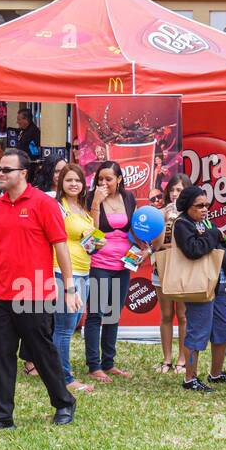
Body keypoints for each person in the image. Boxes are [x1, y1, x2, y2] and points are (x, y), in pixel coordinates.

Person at [0, 149, 81, 433]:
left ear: (23, 173)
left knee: (41, 352)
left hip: (34, 293)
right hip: (0, 294)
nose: (0, 174)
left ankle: (63, 402)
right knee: (0, 355)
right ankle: (1, 416)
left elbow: (61, 246)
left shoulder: (42, 204)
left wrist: (70, 288)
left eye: (6, 170)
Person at [83, 160, 143, 383]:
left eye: (108, 179)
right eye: (100, 179)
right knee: (96, 314)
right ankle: (94, 365)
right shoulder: (92, 199)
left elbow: (135, 229)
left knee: (113, 315)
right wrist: (96, 203)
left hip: (123, 264)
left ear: (119, 179)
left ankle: (109, 363)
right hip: (99, 264)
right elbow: (92, 233)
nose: (104, 183)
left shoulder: (128, 198)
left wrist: (143, 248)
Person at [173, 185, 226, 392]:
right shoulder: (182, 224)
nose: (204, 209)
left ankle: (216, 374)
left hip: (217, 283)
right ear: (187, 206)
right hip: (197, 285)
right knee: (198, 331)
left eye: (207, 205)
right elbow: (193, 250)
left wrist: (213, 233)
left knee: (222, 328)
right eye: (199, 206)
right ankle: (190, 379)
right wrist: (213, 234)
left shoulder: (207, 223)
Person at [52, 163, 95, 394]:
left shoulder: (82, 208)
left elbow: (85, 239)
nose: (73, 184)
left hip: (84, 271)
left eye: (77, 180)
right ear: (61, 183)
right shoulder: (59, 207)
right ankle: (64, 378)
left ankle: (54, 369)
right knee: (65, 328)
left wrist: (94, 243)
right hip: (63, 272)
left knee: (71, 322)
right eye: (69, 180)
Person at [151, 174, 189, 375]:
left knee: (183, 315)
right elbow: (156, 246)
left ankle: (182, 359)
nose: (175, 194)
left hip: (183, 269)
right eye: (172, 190)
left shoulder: (193, 214)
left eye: (179, 190)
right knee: (166, 315)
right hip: (162, 267)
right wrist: (163, 221)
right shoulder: (161, 213)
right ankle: (167, 359)